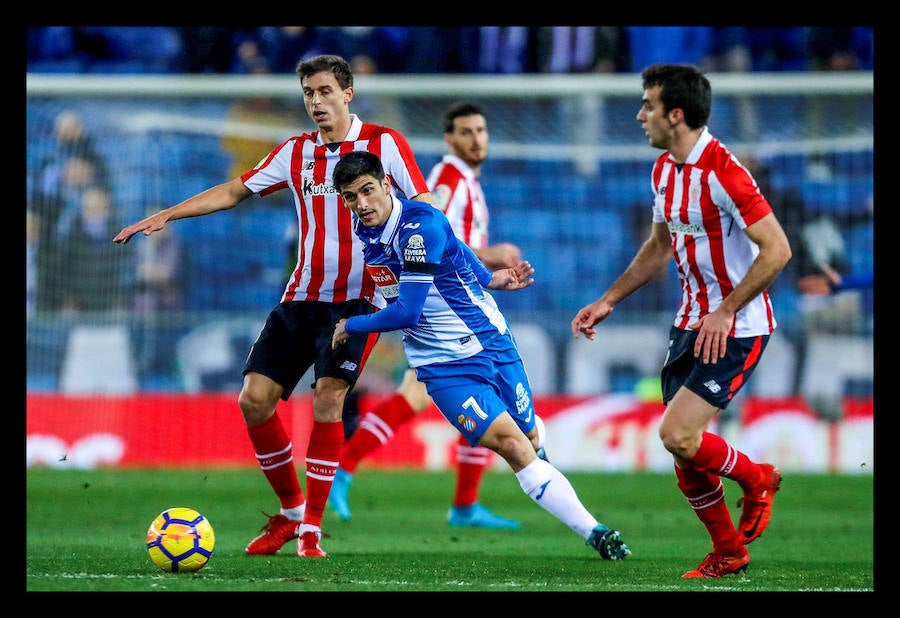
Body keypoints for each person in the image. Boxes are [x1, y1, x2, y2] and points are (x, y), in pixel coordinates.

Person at [113, 54, 434, 558]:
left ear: (348, 93)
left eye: (325, 91)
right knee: (253, 400)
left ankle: (311, 530)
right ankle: (289, 513)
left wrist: (436, 264)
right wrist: (169, 214)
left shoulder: (384, 143)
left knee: (328, 398)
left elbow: (424, 203)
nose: (316, 102)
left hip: (357, 299)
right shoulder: (295, 153)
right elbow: (236, 190)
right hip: (301, 295)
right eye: (308, 93)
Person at [331, 150, 631, 560]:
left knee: (528, 436)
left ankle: (528, 465)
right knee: (512, 445)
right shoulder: (365, 227)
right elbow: (456, 247)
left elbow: (408, 310)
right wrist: (489, 277)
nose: (361, 203)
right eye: (350, 197)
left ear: (387, 184)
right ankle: (596, 532)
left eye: (367, 190)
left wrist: (352, 325)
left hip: (490, 341)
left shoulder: (418, 228)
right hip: (441, 367)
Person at [570, 63, 792, 578]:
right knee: (685, 457)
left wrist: (726, 309)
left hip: (736, 326)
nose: (639, 115)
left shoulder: (725, 173)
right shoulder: (664, 170)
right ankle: (730, 553)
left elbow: (777, 250)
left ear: (675, 114)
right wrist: (610, 300)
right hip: (690, 322)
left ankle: (757, 476)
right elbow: (659, 247)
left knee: (678, 435)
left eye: (647, 105)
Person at [329, 102, 525, 529]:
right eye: (466, 131)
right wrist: (491, 259)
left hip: (451, 312)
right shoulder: (450, 181)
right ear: (449, 139)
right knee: (421, 397)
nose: (477, 139)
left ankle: (463, 504)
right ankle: (343, 471)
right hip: (438, 312)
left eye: (481, 130)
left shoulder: (467, 180)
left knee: (434, 399)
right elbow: (439, 238)